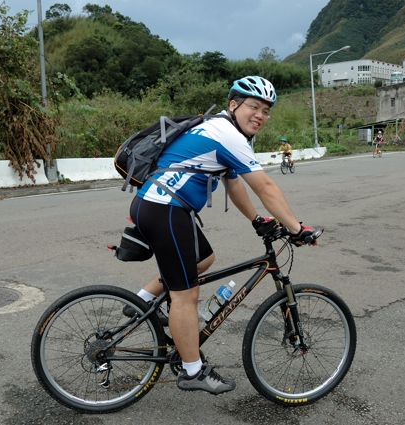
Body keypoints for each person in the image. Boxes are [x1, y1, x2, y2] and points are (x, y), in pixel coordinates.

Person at [125, 76, 317, 395]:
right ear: (234, 105)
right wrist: (298, 229)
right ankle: (192, 372)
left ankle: (141, 301)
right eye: (253, 107)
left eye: (265, 111)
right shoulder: (228, 135)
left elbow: (234, 183)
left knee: (204, 259)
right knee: (185, 295)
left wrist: (257, 220)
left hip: (162, 206)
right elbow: (265, 186)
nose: (260, 115)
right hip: (166, 209)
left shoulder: (219, 127)